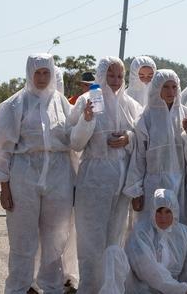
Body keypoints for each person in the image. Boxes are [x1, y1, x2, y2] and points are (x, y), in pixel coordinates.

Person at [0, 54, 75, 293]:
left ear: (52, 73)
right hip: (24, 174)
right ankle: (19, 287)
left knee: (55, 238)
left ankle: (50, 286)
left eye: (46, 72)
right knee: (22, 239)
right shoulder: (14, 104)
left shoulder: (62, 103)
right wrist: (4, 186)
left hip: (58, 175)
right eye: (37, 72)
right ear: (29, 73)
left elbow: (71, 139)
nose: (41, 78)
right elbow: (3, 148)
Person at [68, 56, 142, 293]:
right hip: (94, 178)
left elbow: (141, 133)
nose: (116, 80)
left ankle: (110, 288)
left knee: (115, 239)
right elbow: (75, 142)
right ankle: (89, 288)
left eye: (120, 76)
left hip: (120, 180)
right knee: (91, 240)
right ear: (101, 75)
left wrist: (128, 138)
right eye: (111, 75)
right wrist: (87, 120)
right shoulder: (88, 100)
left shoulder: (129, 104)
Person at [125, 70, 187, 226]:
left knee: (178, 227)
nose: (171, 92)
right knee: (152, 227)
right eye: (166, 87)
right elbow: (139, 155)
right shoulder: (146, 117)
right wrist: (136, 190)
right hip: (154, 184)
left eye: (174, 87)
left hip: (180, 184)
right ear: (157, 88)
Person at [125, 189, 187, 294]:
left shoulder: (186, 235)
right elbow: (146, 269)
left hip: (175, 291)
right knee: (113, 253)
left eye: (168, 212)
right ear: (153, 211)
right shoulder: (141, 231)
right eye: (159, 211)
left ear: (175, 211)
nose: (163, 217)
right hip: (143, 289)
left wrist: (183, 289)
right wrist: (178, 289)